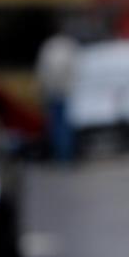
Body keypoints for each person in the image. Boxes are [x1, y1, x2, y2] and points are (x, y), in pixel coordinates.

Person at [35, 33, 78, 162]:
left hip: (54, 94)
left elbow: (43, 73)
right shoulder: (68, 47)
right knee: (65, 126)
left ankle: (61, 155)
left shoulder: (49, 49)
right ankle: (66, 155)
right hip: (66, 93)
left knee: (57, 126)